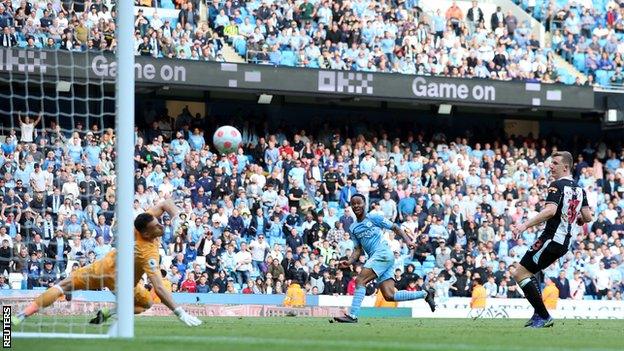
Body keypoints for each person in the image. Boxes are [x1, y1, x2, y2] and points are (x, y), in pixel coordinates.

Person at [13, 200, 202, 327]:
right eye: (157, 226)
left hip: (102, 268)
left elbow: (165, 203)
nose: (161, 225)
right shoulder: (148, 254)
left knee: (63, 286)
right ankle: (112, 311)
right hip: (123, 284)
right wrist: (180, 313)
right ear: (145, 234)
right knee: (147, 304)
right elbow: (159, 288)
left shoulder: (141, 225)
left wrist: (178, 217)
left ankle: (20, 316)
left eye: (159, 223)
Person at [511, 151, 592, 328]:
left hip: (551, 239)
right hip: (563, 243)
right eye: (551, 163)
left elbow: (550, 211)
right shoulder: (580, 189)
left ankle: (544, 315)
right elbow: (587, 216)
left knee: (519, 273)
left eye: (555, 163)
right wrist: (577, 219)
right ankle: (538, 314)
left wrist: (524, 225)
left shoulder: (557, 185)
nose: (551, 166)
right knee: (530, 273)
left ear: (565, 167)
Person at [332, 194, 435, 323]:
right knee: (389, 295)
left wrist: (408, 241)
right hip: (381, 258)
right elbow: (358, 249)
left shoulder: (374, 217)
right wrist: (349, 261)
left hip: (383, 253)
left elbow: (395, 227)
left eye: (359, 203)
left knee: (360, 280)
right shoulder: (353, 228)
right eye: (354, 203)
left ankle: (352, 315)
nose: (356, 206)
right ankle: (425, 294)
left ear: (365, 204)